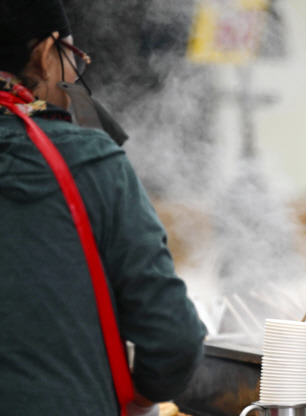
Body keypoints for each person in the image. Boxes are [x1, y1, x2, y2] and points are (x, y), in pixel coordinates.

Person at [0, 1, 207, 415]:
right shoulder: (90, 161)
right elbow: (173, 338)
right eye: (72, 59)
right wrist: (144, 396)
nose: (75, 78)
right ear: (45, 54)